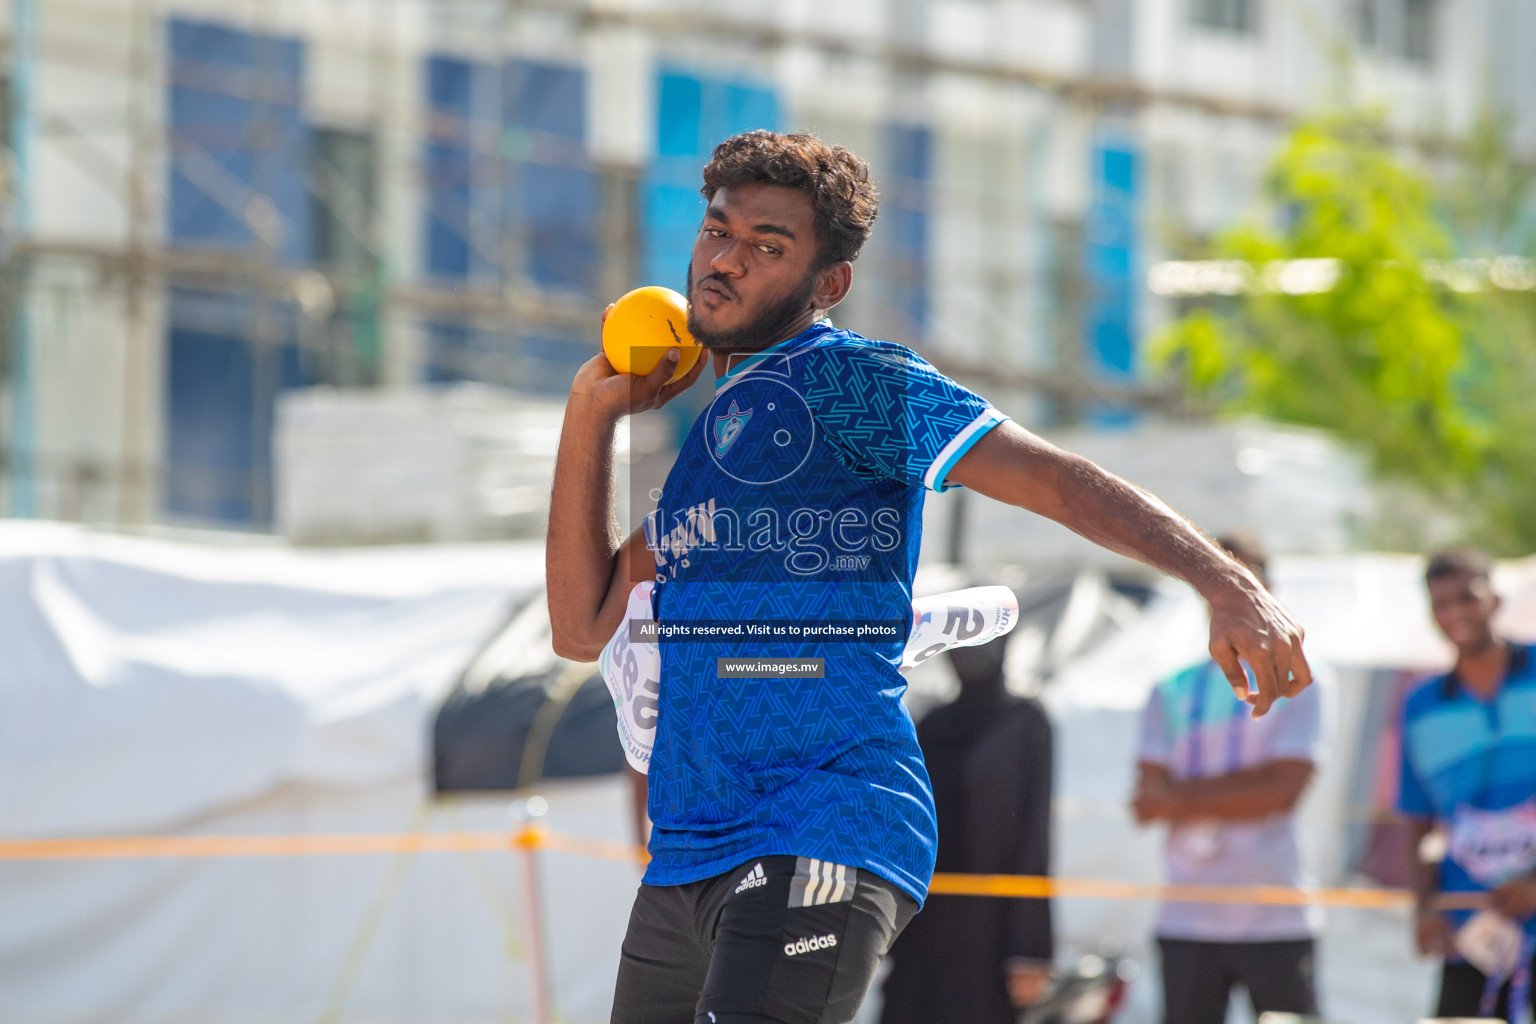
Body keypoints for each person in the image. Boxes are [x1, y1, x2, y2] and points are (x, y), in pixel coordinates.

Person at [545, 130, 1312, 1024]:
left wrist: (1225, 582)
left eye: (767, 245)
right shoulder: (711, 447)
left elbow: (1054, 479)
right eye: (719, 231)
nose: (725, 260)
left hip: (819, 823)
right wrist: (591, 408)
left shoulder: (854, 382)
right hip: (687, 850)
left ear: (826, 284)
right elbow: (581, 623)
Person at [1131, 533, 1322, 1024]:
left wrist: (1180, 795)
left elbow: (1281, 794)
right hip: (1186, 917)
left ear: (1268, 590)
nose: (1234, 595)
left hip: (1275, 916)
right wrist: (1247, 787)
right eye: (1219, 582)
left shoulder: (1301, 676)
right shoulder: (1169, 686)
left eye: (1246, 582)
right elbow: (1146, 804)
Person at [879, 627, 1055, 1024]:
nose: (971, 656)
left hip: (991, 932)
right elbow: (905, 833)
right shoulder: (929, 725)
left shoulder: (1026, 723)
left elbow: (1033, 836)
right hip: (922, 928)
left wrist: (1030, 951)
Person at [1399, 547, 1536, 1022]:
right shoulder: (1420, 707)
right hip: (1472, 931)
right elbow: (1418, 823)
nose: (1454, 613)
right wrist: (1423, 909)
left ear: (1495, 600)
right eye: (1441, 604)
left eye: (1466, 598)